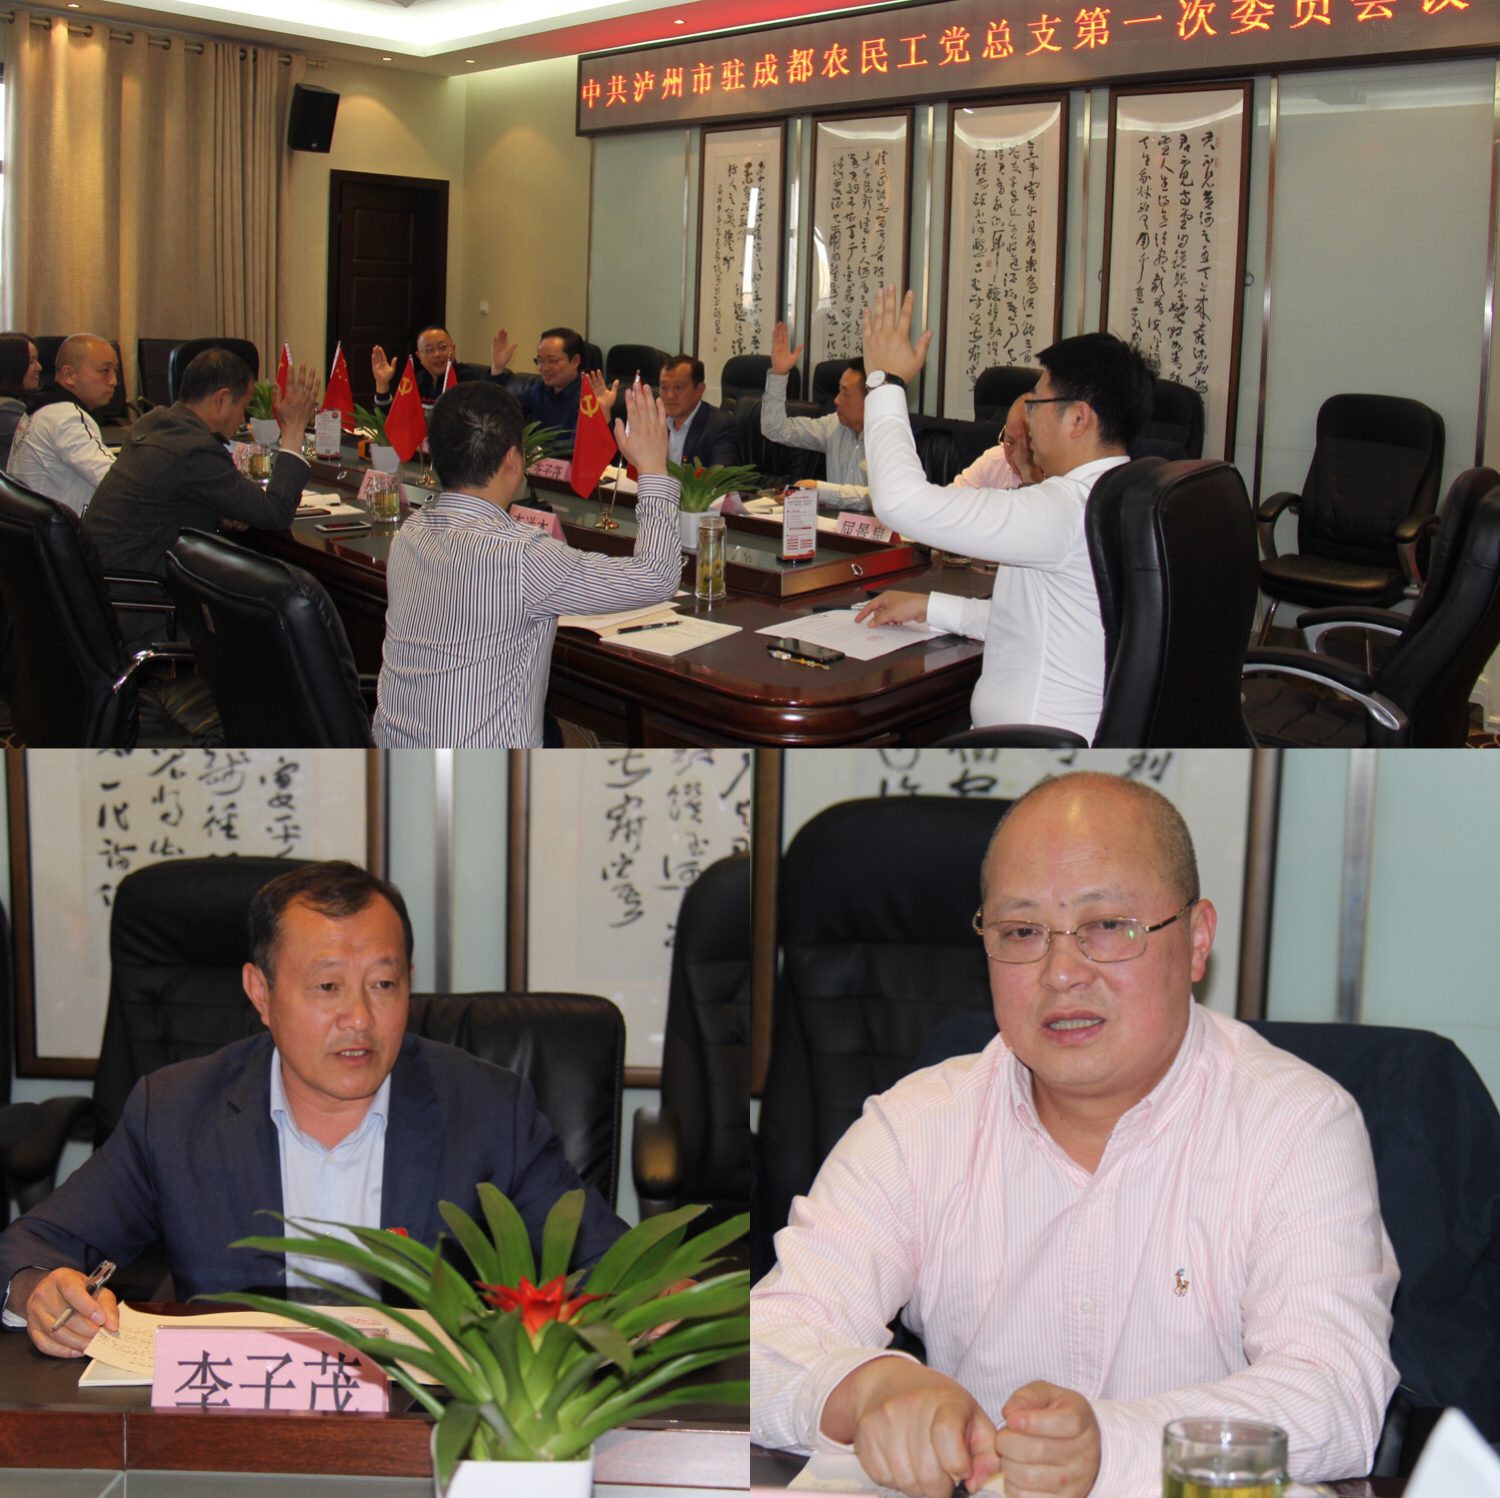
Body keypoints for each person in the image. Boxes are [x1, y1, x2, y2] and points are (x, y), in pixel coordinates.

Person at [750, 772, 1399, 1498]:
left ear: (1196, 941)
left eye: (1108, 926)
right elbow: (765, 1343)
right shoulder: (917, 1126)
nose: (1061, 973)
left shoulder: (1297, 1125)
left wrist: (1109, 1446)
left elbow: (1334, 1393)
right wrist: (867, 1387)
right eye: (1022, 933)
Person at [0, 859, 629, 1357]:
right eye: (327, 986)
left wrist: (646, 1305)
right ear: (261, 993)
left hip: (422, 1430)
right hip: (236, 1426)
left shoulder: (489, 1110)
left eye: (384, 984)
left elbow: (611, 1264)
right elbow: (29, 1246)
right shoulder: (174, 1111)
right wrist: (37, 1290)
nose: (359, 1017)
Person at [854, 288, 1153, 741]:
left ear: (1078, 419)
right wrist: (930, 606)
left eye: (1035, 404)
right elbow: (1033, 620)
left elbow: (900, 503)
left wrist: (885, 384)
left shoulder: (1066, 508)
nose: (1026, 420)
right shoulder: (1125, 491)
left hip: (1028, 754)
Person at [373, 378, 682, 748]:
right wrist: (653, 468)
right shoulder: (520, 555)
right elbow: (657, 576)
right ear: (513, 459)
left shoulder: (410, 533)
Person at [82, 348, 320, 645]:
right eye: (243, 408)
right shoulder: (194, 448)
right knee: (272, 634)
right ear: (221, 399)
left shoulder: (154, 423)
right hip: (142, 611)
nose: (242, 420)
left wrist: (220, 505)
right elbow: (276, 512)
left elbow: (170, 495)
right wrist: (294, 428)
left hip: (99, 600)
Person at [4, 333, 118, 515]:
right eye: (104, 371)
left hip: (35, 524)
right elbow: (116, 480)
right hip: (58, 528)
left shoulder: (42, 408)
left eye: (114, 371)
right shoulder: (66, 417)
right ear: (69, 375)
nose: (113, 381)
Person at [760, 324, 870, 509]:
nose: (836, 400)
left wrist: (821, 491)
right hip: (832, 523)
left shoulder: (891, 438)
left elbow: (880, 498)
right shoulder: (833, 426)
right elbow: (775, 429)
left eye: (845, 394)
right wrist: (779, 374)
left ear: (872, 399)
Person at [490, 325, 617, 439]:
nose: (544, 368)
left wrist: (533, 448)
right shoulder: (540, 390)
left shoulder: (588, 396)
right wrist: (497, 368)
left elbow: (577, 446)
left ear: (575, 361)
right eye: (540, 361)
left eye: (552, 361)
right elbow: (499, 408)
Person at [370, 325, 508, 410]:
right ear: (419, 357)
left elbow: (490, 407)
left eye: (442, 347)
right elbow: (396, 421)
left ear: (453, 349)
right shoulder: (420, 380)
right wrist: (382, 383)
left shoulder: (465, 378)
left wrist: (497, 368)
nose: (437, 354)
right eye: (429, 350)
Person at [950, 394, 1044, 491]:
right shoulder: (993, 462)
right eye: (1010, 442)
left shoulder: (1054, 471)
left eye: (1026, 445)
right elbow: (953, 495)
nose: (1018, 456)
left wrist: (1029, 470)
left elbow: (1043, 500)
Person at [660, 354, 737, 469]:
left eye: (678, 387)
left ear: (700, 389)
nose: (670, 396)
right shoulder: (655, 422)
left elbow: (719, 474)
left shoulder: (720, 427)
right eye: (664, 387)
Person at [0, 333, 42, 469]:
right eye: (31, 362)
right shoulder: (5, 409)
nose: (39, 367)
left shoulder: (19, 401)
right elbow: (48, 441)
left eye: (37, 360)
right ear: (10, 366)